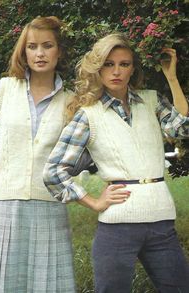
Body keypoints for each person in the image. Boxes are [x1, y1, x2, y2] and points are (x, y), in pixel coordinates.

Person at [0, 16, 92, 293]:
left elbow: (88, 151)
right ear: (24, 51)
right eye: (32, 46)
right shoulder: (2, 89)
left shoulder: (73, 100)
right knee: (1, 282)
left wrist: (68, 169)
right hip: (5, 203)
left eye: (47, 45)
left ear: (59, 51)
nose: (39, 53)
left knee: (48, 284)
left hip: (50, 203)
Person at [43, 32, 189, 292]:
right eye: (109, 64)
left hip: (161, 223)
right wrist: (94, 201)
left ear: (133, 69)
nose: (116, 71)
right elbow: (54, 171)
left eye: (124, 64)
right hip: (117, 227)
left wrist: (172, 78)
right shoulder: (87, 115)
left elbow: (182, 129)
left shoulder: (152, 101)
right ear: (98, 69)